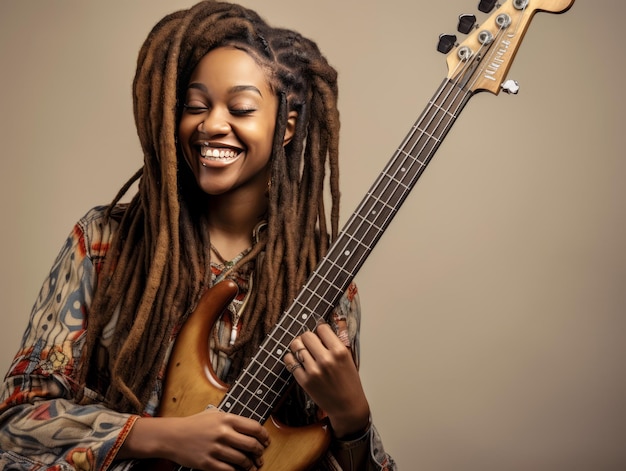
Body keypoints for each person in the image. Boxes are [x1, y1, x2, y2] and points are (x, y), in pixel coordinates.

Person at [0, 1, 396, 470]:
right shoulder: (104, 243)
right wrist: (162, 437)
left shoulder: (321, 279)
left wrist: (354, 418)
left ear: (285, 126)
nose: (211, 124)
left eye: (241, 107)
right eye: (196, 105)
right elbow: (17, 422)